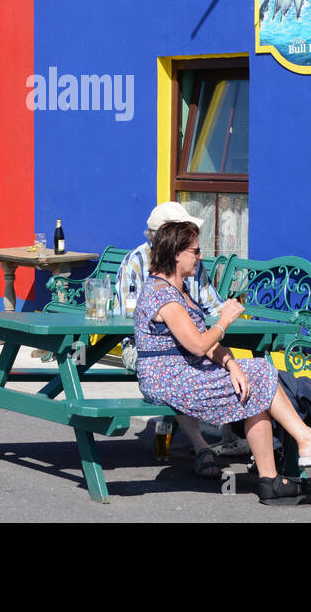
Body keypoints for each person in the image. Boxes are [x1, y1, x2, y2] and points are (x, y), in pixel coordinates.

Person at [135, 220, 311, 506]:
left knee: (253, 381)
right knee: (262, 372)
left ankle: (272, 478)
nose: (200, 257)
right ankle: (299, 448)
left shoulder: (180, 289)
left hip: (186, 370)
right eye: (196, 251)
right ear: (177, 254)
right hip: (168, 378)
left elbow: (206, 342)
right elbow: (199, 344)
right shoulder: (163, 296)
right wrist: (225, 319)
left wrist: (232, 366)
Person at [114, 201, 230, 478]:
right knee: (177, 364)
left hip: (189, 345)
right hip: (145, 349)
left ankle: (230, 435)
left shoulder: (189, 260)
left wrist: (218, 321)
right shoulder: (135, 262)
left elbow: (212, 304)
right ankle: (202, 445)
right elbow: (124, 319)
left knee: (212, 360)